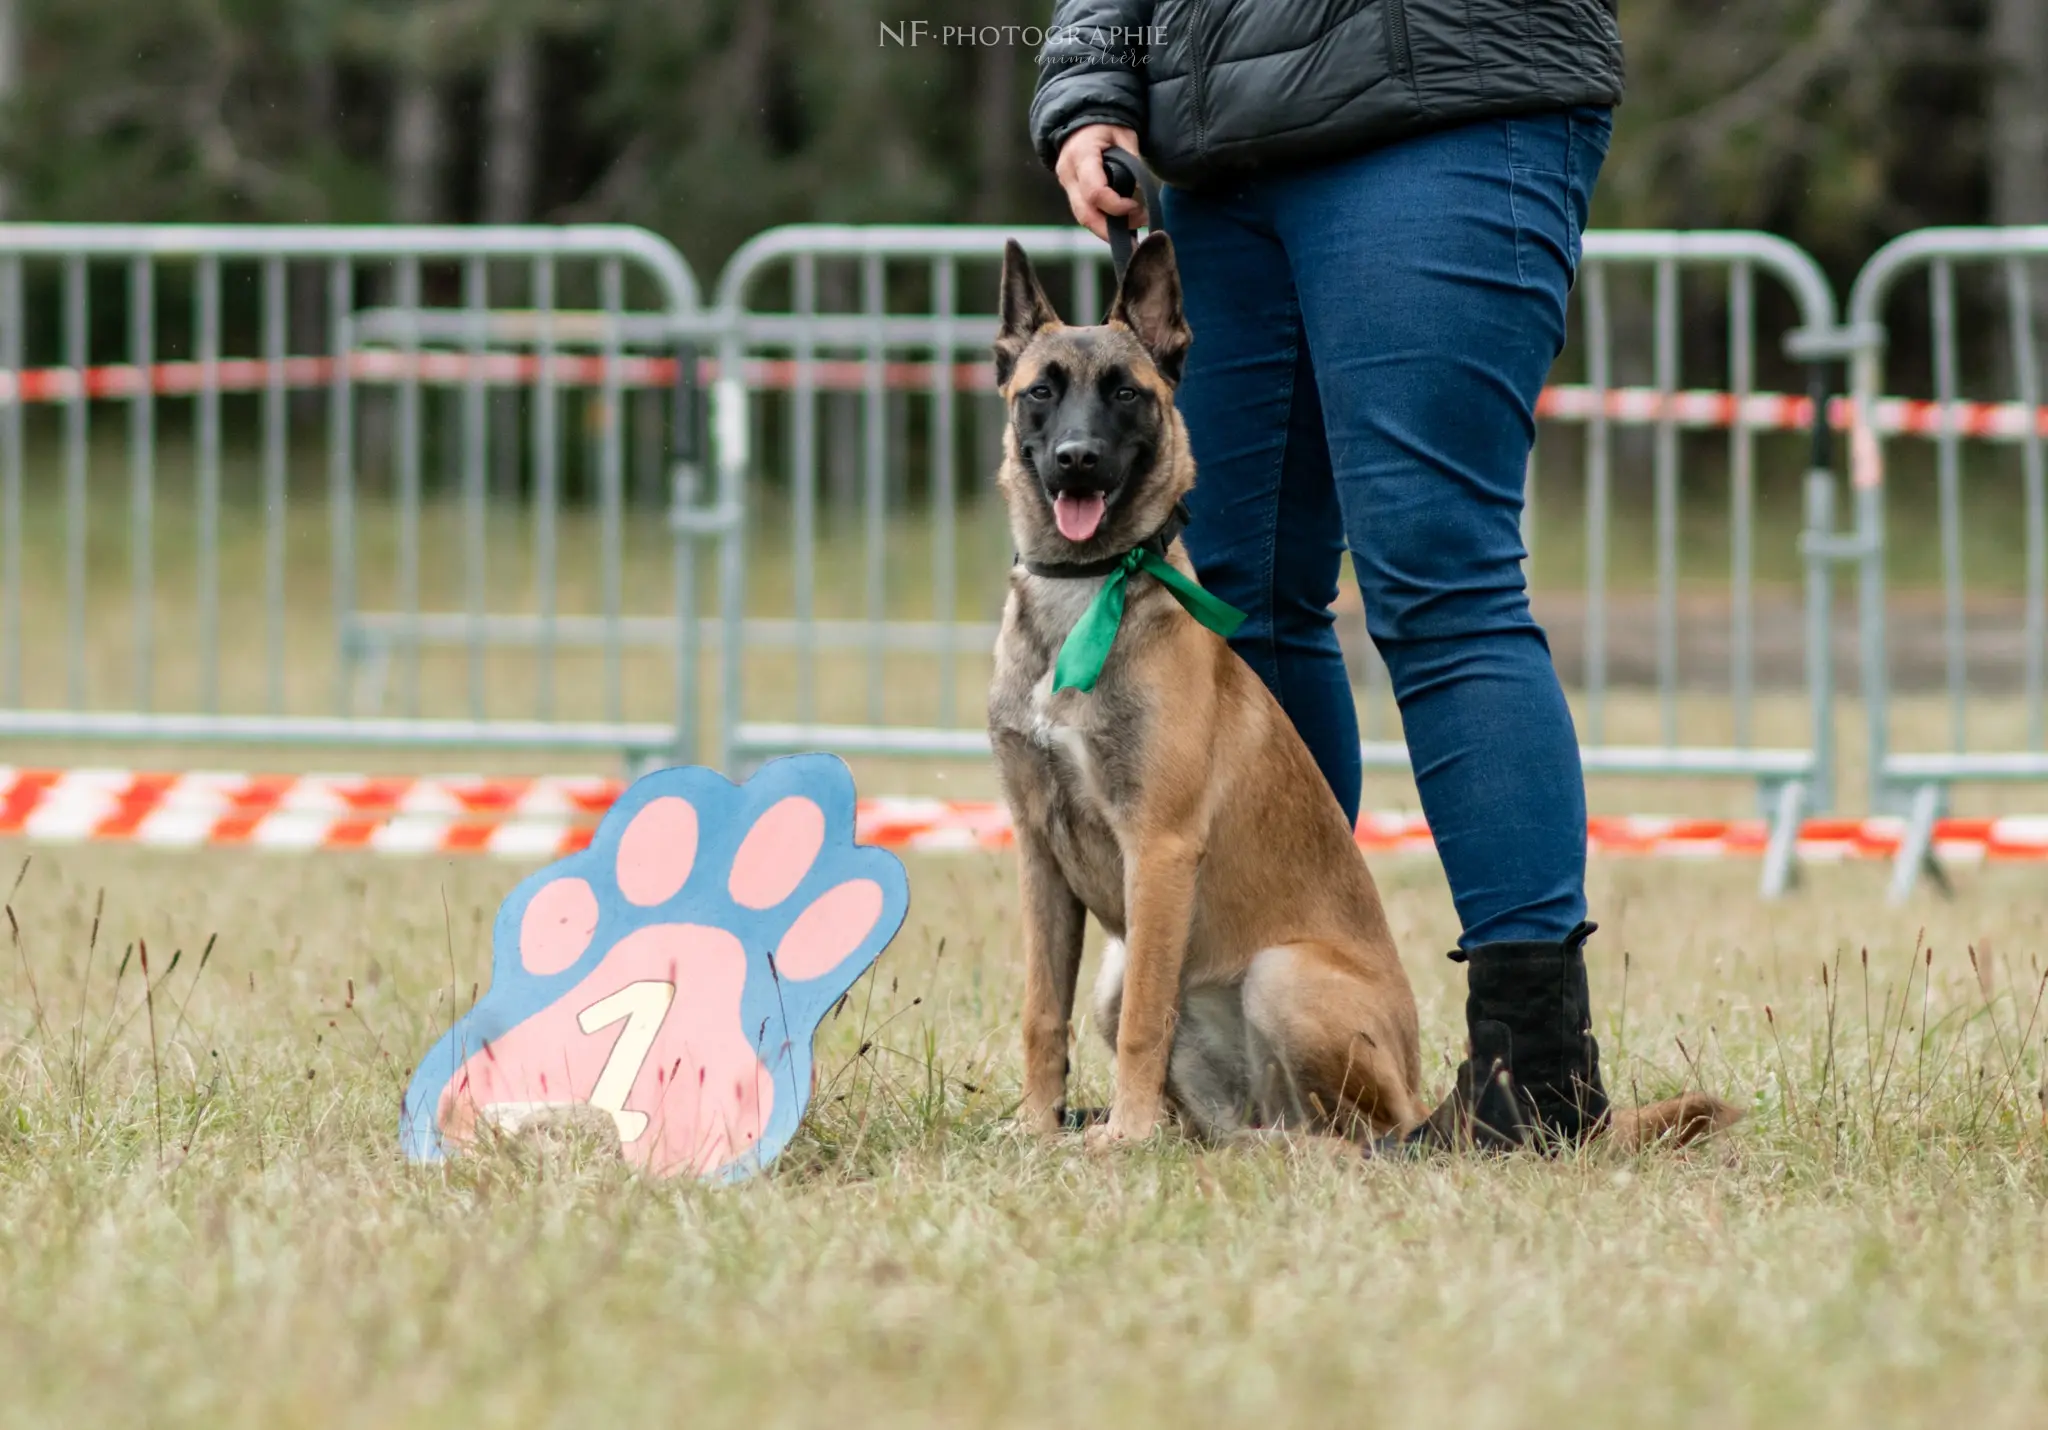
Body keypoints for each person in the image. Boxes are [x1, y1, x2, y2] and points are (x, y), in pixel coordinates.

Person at [1029, 2, 1621, 1149]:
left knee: (1438, 577)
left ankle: (1535, 1071)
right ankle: (1242, 1056)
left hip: (1443, 94)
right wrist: (1088, 83)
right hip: (1224, 135)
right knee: (1228, 600)